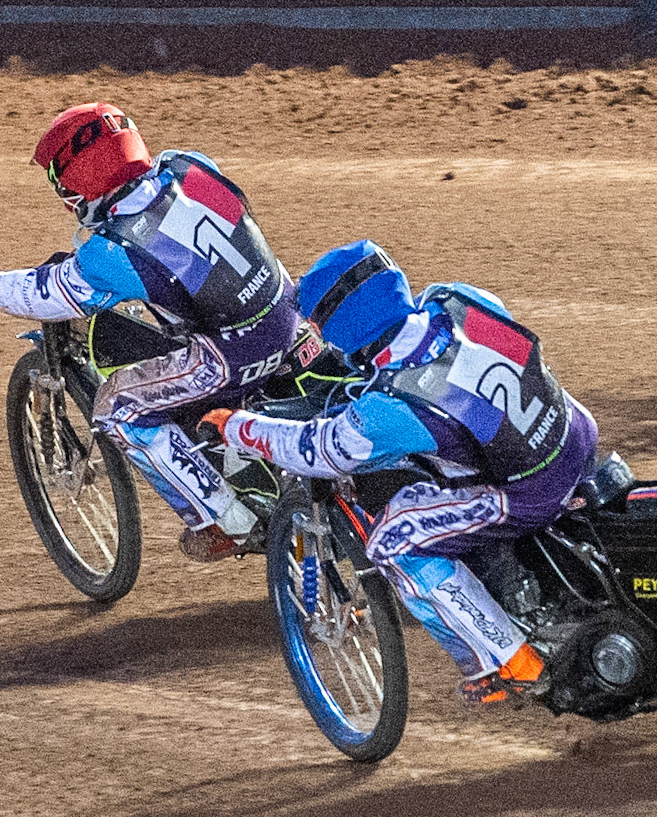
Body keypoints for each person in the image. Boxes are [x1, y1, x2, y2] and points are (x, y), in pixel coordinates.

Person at [199, 240, 599, 705]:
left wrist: (238, 426)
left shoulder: (389, 408)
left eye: (322, 325)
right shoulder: (458, 299)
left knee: (394, 536)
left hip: (530, 493)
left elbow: (319, 451)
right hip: (575, 433)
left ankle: (509, 660)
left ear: (346, 327)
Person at [0, 102, 299, 562]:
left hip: (236, 353)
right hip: (287, 312)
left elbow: (41, 294)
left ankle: (227, 521)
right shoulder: (189, 165)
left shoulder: (113, 250)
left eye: (61, 181)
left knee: (118, 407)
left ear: (80, 177)